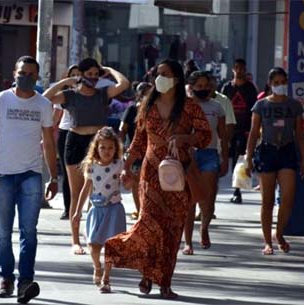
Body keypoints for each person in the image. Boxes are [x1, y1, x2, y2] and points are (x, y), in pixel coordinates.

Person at [104, 59, 211, 298]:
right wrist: (126, 166)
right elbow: (139, 140)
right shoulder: (148, 105)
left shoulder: (190, 107)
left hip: (178, 175)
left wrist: (186, 138)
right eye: (157, 74)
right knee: (149, 225)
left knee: (172, 229)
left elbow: (205, 136)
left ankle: (165, 281)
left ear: (176, 78)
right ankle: (145, 272)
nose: (160, 78)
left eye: (165, 74)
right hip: (151, 174)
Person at [0, 56, 58, 303]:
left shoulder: (44, 105)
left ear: (37, 77)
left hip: (31, 175)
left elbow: (48, 143)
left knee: (29, 231)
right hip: (3, 174)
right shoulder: (0, 100)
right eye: (21, 72)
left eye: (30, 73)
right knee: (3, 233)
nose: (25, 76)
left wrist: (54, 176)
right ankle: (6, 277)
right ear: (14, 73)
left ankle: (26, 280)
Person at [44, 58, 130, 255]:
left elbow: (124, 84)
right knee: (77, 193)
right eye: (88, 74)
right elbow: (45, 98)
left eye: (95, 74)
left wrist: (108, 69)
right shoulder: (69, 95)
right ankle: (75, 240)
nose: (92, 78)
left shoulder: (102, 94)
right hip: (75, 141)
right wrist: (65, 82)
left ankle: (95, 235)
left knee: (97, 193)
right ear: (80, 75)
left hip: (98, 144)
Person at [245, 67, 304, 255]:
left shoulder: (294, 105)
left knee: (288, 197)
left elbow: (300, 134)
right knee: (268, 200)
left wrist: (303, 159)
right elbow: (254, 132)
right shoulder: (261, 105)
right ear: (270, 84)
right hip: (267, 150)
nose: (280, 86)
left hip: (287, 150)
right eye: (276, 83)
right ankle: (267, 242)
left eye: (283, 82)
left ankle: (279, 233)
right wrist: (248, 158)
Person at [72, 126, 128, 293]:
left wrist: (128, 181)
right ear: (96, 148)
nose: (107, 151)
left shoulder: (119, 164)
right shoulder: (91, 166)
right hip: (96, 210)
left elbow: (127, 183)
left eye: (110, 147)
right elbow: (85, 189)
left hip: (114, 210)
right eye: (103, 147)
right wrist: (77, 211)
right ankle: (97, 267)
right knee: (93, 245)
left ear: (116, 148)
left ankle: (107, 278)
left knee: (110, 246)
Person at [182, 71, 228, 255]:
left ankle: (204, 228)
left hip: (209, 154)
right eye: (198, 86)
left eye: (205, 86)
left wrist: (224, 158)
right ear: (191, 87)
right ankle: (187, 242)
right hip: (189, 155)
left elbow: (223, 136)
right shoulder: (185, 106)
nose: (202, 89)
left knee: (207, 198)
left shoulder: (217, 107)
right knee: (189, 200)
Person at [221, 58, 258, 203]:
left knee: (239, 158)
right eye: (237, 68)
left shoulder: (250, 89)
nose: (239, 71)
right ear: (233, 69)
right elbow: (221, 108)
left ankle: (237, 190)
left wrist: (251, 130)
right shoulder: (227, 88)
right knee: (225, 157)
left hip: (244, 130)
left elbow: (254, 111)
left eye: (242, 68)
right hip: (228, 128)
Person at [118, 82, 152, 220]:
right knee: (136, 183)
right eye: (144, 93)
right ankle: (140, 211)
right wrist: (120, 148)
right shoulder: (132, 109)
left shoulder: (157, 109)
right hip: (135, 151)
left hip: (151, 151)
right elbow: (122, 129)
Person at [52, 65, 81, 220]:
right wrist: (46, 135)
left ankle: (82, 207)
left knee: (85, 173)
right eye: (73, 75)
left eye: (79, 75)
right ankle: (68, 208)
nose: (76, 78)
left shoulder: (90, 93)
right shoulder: (62, 96)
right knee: (66, 172)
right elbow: (55, 118)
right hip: (66, 133)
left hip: (85, 134)